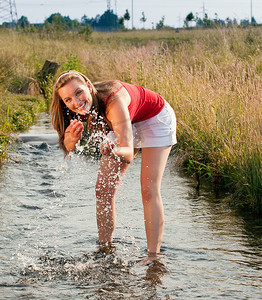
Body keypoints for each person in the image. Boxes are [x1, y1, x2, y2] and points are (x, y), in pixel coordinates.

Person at [50, 70, 177, 263]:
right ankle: (105, 250)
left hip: (154, 118)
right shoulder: (73, 108)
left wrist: (112, 151)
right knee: (102, 190)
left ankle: (153, 257)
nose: (76, 102)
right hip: (124, 123)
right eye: (68, 99)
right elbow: (68, 148)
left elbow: (126, 154)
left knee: (148, 189)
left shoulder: (112, 101)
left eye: (79, 92)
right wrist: (71, 139)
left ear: (88, 85)